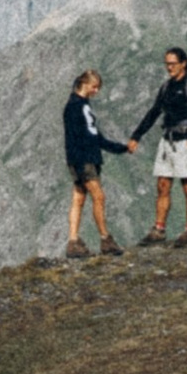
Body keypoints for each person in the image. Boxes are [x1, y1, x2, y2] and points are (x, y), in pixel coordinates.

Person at [128, 46, 187, 245]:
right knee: (163, 185)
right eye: (167, 64)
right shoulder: (166, 87)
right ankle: (159, 229)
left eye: (173, 64)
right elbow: (154, 112)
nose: (169, 68)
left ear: (183, 63)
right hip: (167, 140)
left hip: (185, 140)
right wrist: (136, 136)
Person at [61, 69, 136, 258]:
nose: (96, 91)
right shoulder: (75, 107)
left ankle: (73, 241)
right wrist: (80, 161)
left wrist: (121, 148)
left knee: (79, 198)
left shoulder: (81, 105)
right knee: (99, 197)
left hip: (81, 159)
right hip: (84, 159)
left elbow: (95, 136)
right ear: (85, 84)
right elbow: (80, 137)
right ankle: (105, 239)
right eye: (94, 87)